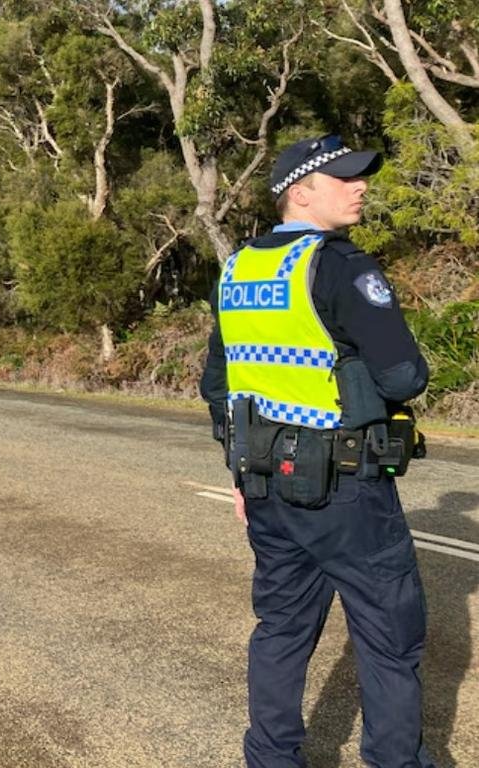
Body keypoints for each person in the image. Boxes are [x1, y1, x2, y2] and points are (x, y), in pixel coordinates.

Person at [199, 135, 436, 768]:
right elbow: (404, 377)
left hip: (266, 484)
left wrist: (239, 476)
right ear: (300, 192)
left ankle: (271, 759)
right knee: (389, 638)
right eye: (346, 178)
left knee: (280, 630)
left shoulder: (237, 269)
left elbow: (218, 388)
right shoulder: (339, 266)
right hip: (347, 488)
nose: (361, 187)